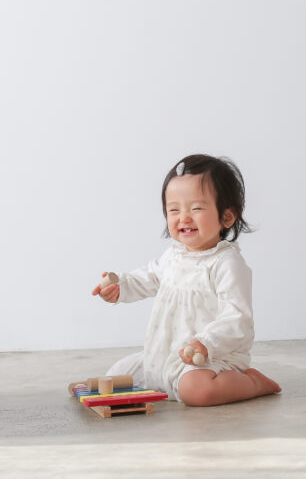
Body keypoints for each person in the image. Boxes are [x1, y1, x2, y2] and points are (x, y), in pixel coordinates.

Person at [91, 154, 281, 406]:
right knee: (116, 373)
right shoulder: (174, 256)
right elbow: (148, 277)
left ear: (226, 217)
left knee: (197, 391)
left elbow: (237, 319)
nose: (183, 217)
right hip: (165, 355)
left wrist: (205, 343)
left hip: (211, 358)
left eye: (196, 208)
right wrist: (120, 286)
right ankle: (160, 377)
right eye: (174, 210)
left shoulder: (227, 264)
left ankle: (252, 383)